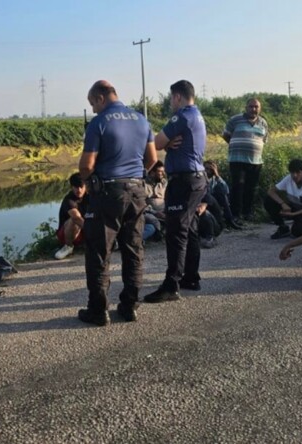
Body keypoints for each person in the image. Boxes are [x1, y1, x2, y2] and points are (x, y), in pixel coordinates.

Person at [77, 80, 157, 326]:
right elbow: (152, 159)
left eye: (92, 104)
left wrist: (89, 182)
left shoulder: (99, 123)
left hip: (108, 193)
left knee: (99, 253)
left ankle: (98, 311)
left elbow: (87, 166)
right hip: (136, 192)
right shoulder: (141, 120)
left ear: (101, 98)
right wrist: (131, 175)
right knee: (134, 250)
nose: (92, 109)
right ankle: (129, 306)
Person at [143, 80, 207, 302]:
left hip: (184, 181)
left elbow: (157, 142)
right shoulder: (197, 115)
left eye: (171, 98)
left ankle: (172, 285)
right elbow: (166, 144)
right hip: (197, 179)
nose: (171, 102)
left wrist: (165, 144)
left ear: (178, 96)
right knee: (189, 229)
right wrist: (169, 144)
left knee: (176, 232)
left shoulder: (181, 116)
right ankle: (191, 277)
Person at [223, 98, 268, 223]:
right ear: (246, 107)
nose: (253, 109)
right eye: (251, 106)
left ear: (260, 108)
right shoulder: (235, 120)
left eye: (256, 107)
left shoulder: (263, 122)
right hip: (237, 159)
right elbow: (226, 135)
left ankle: (247, 213)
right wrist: (238, 145)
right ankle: (235, 215)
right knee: (238, 187)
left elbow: (263, 140)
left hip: (256, 161)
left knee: (251, 188)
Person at [264, 159, 302, 239]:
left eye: (298, 172)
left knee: (299, 231)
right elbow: (271, 191)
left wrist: (294, 214)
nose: (295, 175)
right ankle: (283, 227)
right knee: (269, 201)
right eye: (292, 172)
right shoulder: (288, 179)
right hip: (294, 208)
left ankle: (301, 226)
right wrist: (283, 204)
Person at [54, 172, 87, 260]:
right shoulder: (69, 200)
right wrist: (93, 232)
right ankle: (68, 247)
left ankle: (113, 240)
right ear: (72, 187)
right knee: (74, 219)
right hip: (66, 234)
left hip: (83, 231)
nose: (79, 190)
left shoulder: (90, 197)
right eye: (76, 187)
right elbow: (77, 218)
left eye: (81, 187)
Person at [203, 160, 242, 230]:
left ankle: (229, 220)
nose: (208, 171)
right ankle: (229, 220)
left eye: (210, 169)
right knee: (217, 194)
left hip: (212, 201)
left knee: (221, 193)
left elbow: (226, 190)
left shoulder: (214, 179)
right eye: (206, 169)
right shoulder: (200, 178)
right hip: (203, 201)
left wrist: (217, 175)